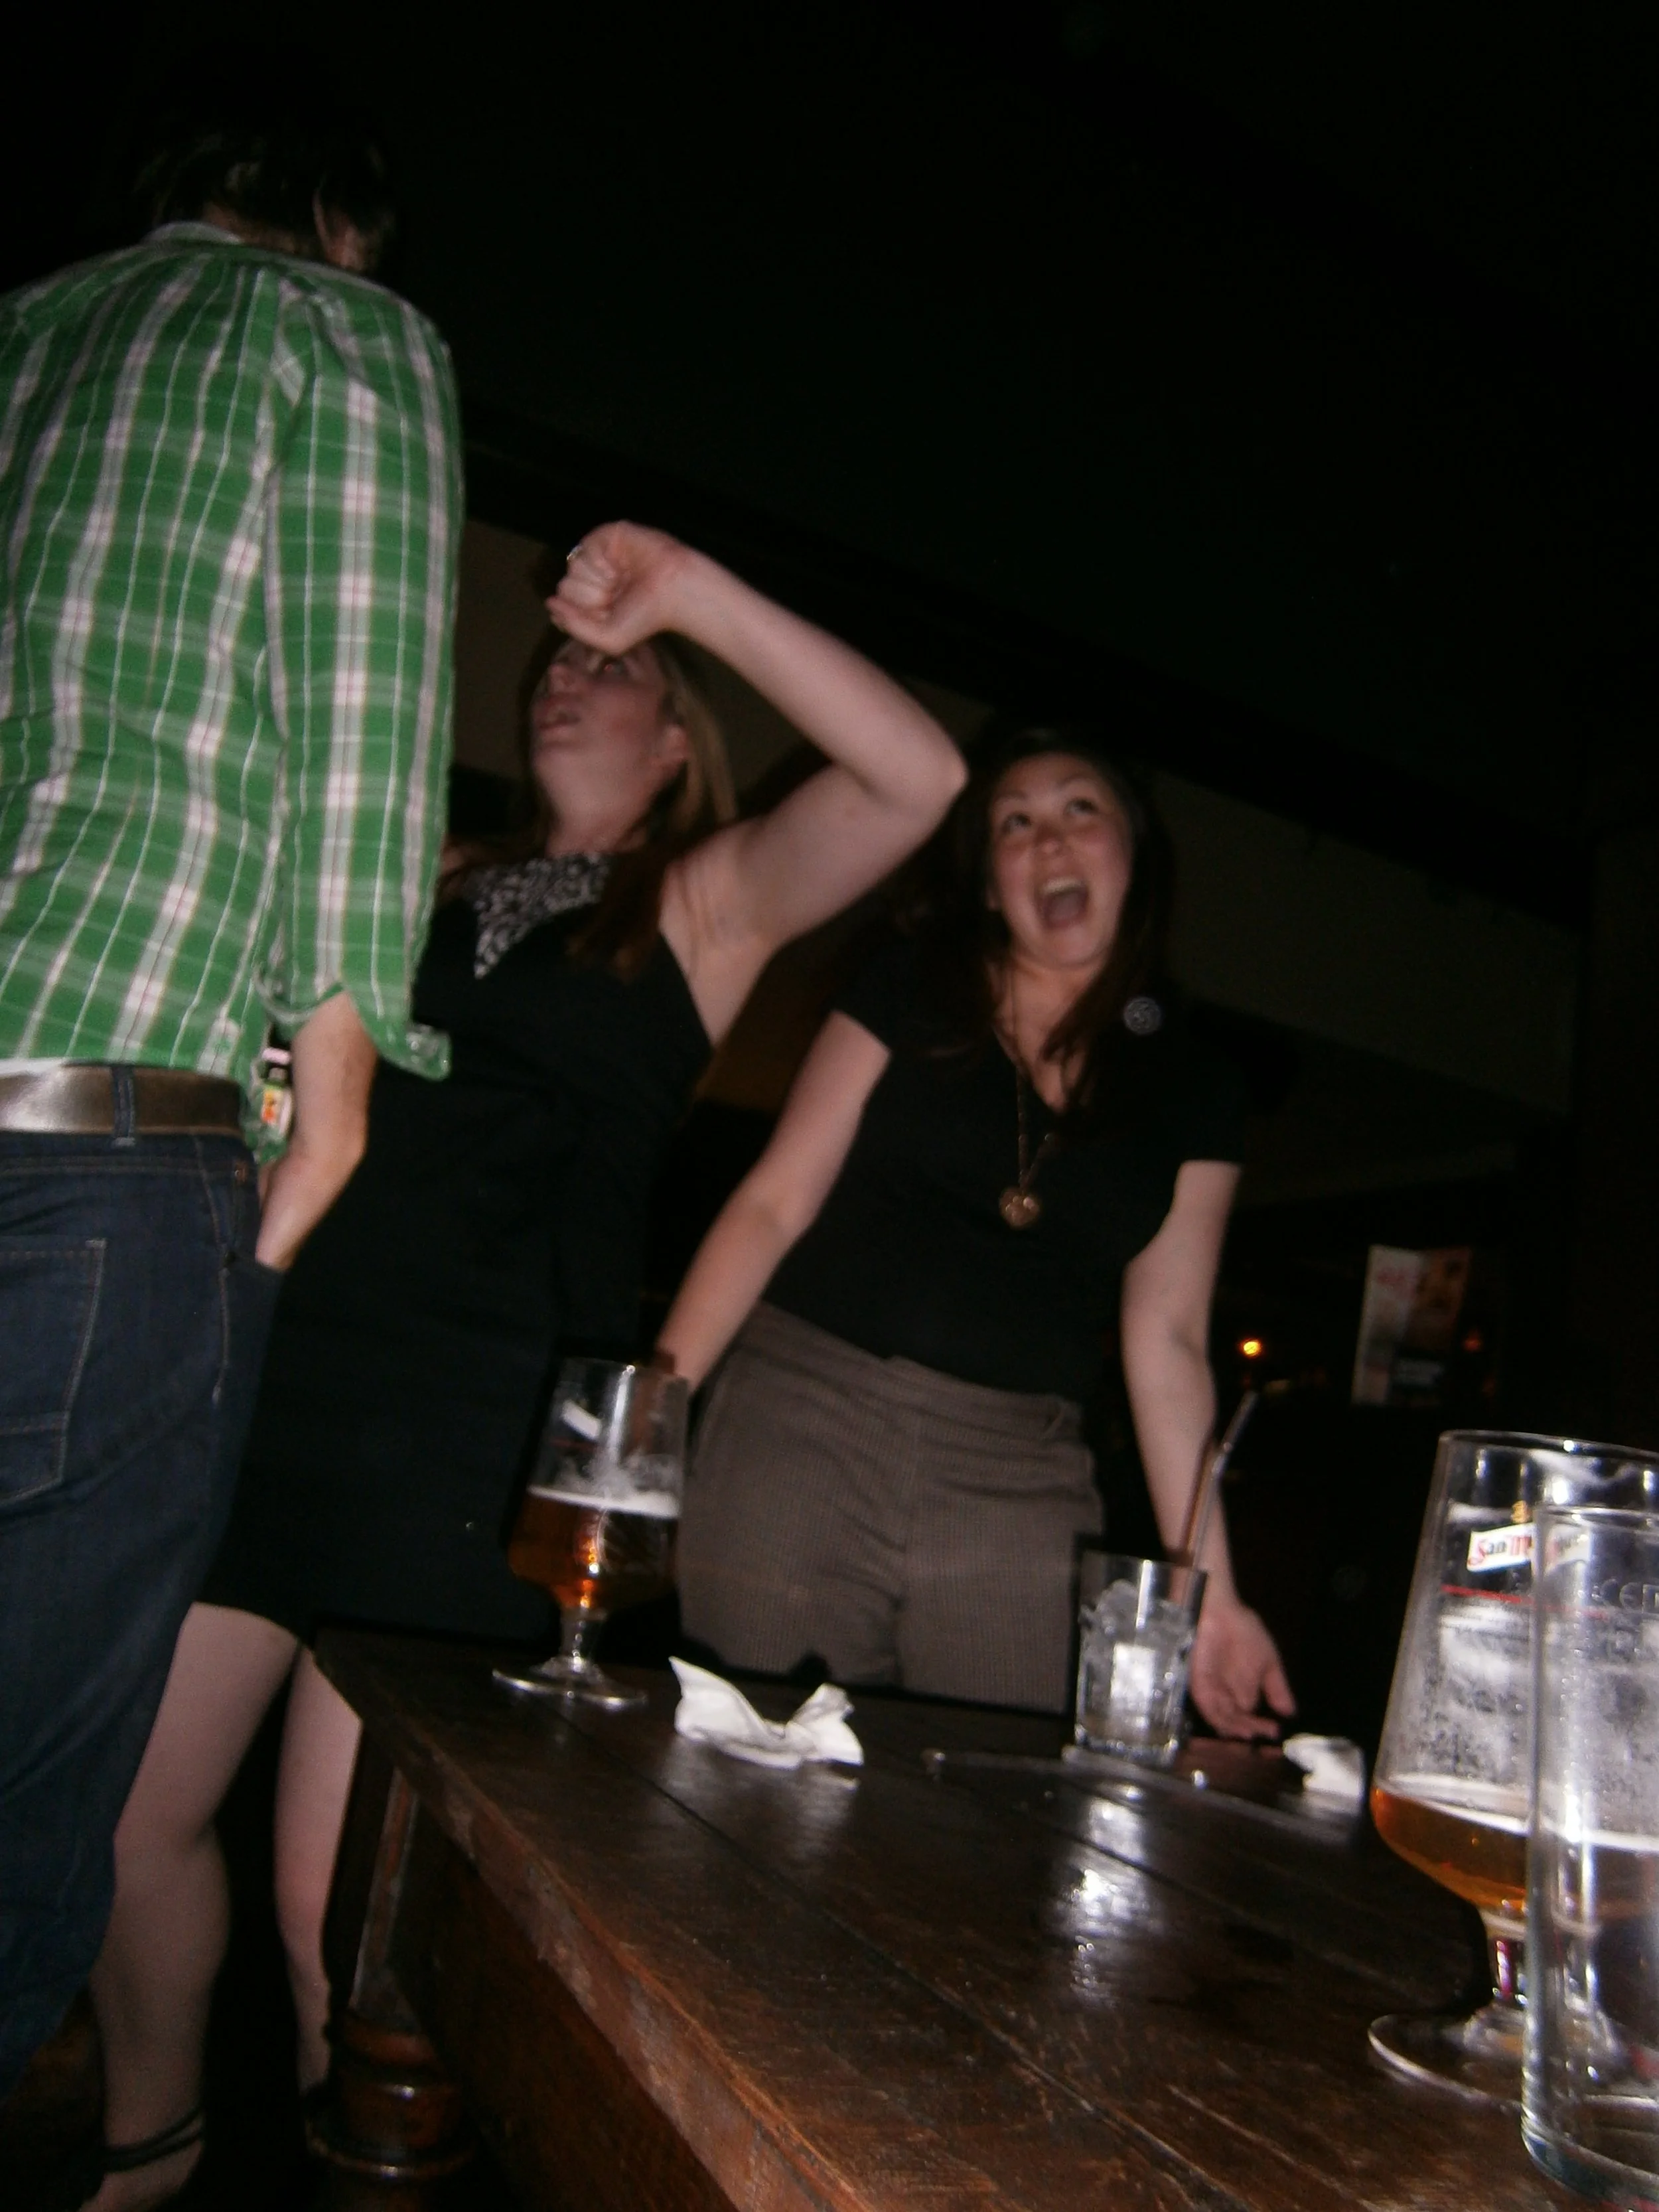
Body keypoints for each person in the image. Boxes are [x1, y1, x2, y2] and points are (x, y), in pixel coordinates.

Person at [85, 520, 966, 2206]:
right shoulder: (422, 872)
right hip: (278, 1381)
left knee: (340, 1916)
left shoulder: (700, 902)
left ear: (680, 741)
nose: (566, 675)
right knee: (124, 1820)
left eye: (611, 669)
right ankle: (151, 2146)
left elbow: (913, 775)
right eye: (556, 661)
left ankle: (352, 2180)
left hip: (475, 1434)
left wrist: (682, 591)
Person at [0, 70, 462, 2109]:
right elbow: (363, 712)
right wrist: (334, 1077)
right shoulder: (336, 331)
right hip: (108, 1140)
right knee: (24, 1807)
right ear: (336, 219)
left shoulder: (27, 334)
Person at [657, 728, 1296, 1730]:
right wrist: (650, 1416)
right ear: (993, 889)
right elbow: (774, 1202)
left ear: (1133, 853)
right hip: (802, 1425)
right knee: (755, 1770)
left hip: (1022, 1480)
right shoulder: (910, 983)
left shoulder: (1199, 1089)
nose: (1050, 840)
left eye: (1080, 808)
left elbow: (1169, 1341)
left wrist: (1210, 1593)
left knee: (990, 1799)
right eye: (1015, 824)